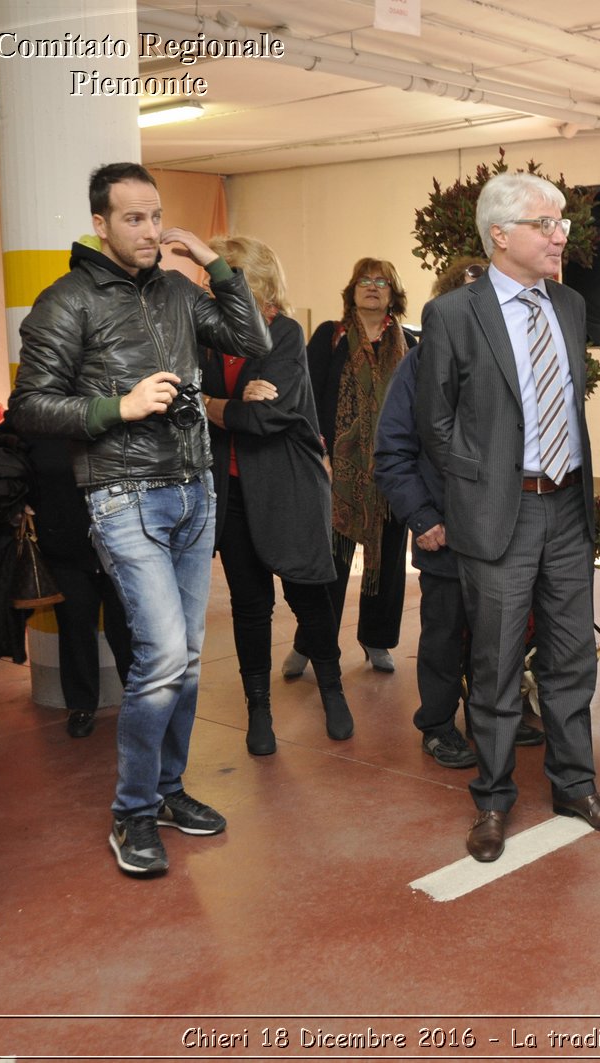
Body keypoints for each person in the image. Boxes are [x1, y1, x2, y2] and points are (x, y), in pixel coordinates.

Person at [7, 162, 269, 876]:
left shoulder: (180, 290)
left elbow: (253, 339)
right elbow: (28, 406)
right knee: (159, 659)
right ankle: (130, 813)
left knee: (183, 660)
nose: (151, 231)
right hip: (124, 495)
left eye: (156, 216)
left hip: (194, 489)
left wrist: (213, 261)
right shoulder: (66, 302)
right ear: (100, 223)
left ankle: (167, 790)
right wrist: (116, 406)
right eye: (133, 219)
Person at [415, 172, 600, 862]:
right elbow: (434, 420)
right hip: (498, 516)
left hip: (566, 511)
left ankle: (575, 785)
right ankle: (493, 798)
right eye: (545, 223)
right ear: (500, 234)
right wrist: (479, 480)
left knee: (571, 660)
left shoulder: (569, 304)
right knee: (497, 664)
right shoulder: (454, 314)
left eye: (561, 222)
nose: (560, 233)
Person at [376, 257, 545, 769]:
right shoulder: (420, 364)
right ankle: (437, 725)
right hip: (445, 531)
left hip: (505, 530)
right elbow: (392, 450)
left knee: (499, 636)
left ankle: (491, 717)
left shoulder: (519, 359)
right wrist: (422, 518)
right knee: (445, 637)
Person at [198, 235, 348, 753]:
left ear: (251, 281)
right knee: (249, 603)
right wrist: (217, 400)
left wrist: (211, 403)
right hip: (231, 490)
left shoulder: (284, 333)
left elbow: (268, 417)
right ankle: (257, 710)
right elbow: (182, 398)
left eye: (223, 275)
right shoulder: (208, 339)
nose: (211, 284)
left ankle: (332, 690)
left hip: (289, 486)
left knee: (308, 592)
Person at [284, 258, 411, 679]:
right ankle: (311, 641)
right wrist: (319, 454)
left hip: (393, 473)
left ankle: (376, 639)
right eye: (364, 281)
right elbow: (306, 398)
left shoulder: (408, 344)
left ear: (393, 294)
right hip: (336, 471)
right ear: (352, 290)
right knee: (330, 565)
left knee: (389, 562)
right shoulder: (330, 337)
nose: (372, 288)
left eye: (381, 282)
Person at [23, 431, 133, 739]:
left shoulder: (113, 406)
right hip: (62, 541)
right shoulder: (36, 417)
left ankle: (141, 700)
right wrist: (16, 497)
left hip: (120, 540)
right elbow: (4, 457)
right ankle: (81, 705)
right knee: (74, 623)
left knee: (127, 626)